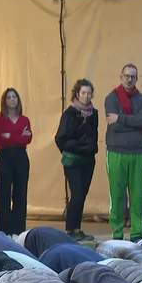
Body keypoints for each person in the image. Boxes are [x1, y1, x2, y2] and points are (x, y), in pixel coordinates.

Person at [105, 64, 142, 242]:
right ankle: (117, 232)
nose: (129, 79)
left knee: (138, 194)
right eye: (126, 75)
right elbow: (113, 123)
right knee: (116, 194)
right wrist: (135, 123)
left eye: (132, 76)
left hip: (139, 152)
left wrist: (121, 118)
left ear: (137, 79)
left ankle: (136, 233)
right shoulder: (111, 98)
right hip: (116, 151)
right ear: (121, 76)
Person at [55, 79, 98, 241]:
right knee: (77, 194)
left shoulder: (94, 113)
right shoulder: (70, 113)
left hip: (88, 159)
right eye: (83, 93)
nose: (86, 96)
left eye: (89, 93)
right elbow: (60, 138)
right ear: (77, 94)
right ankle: (70, 229)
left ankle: (77, 228)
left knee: (82, 195)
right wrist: (76, 147)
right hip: (74, 160)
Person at [0, 88, 32, 236]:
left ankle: (19, 230)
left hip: (21, 157)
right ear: (5, 101)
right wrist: (18, 136)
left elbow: (28, 139)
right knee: (4, 194)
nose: (12, 100)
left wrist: (10, 136)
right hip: (4, 158)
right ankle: (3, 230)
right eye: (9, 97)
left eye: (14, 97)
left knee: (20, 195)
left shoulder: (24, 119)